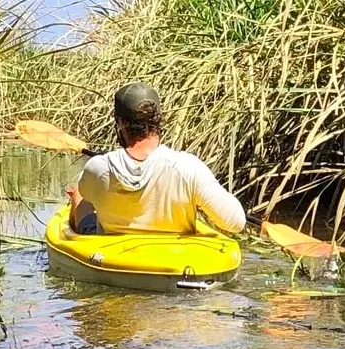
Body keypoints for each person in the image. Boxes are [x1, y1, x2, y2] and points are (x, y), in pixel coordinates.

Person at [67, 82, 246, 235]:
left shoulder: (97, 168)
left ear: (120, 123)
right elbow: (236, 223)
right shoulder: (188, 168)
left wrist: (78, 196)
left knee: (80, 195)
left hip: (112, 257)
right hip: (174, 263)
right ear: (160, 120)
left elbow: (88, 192)